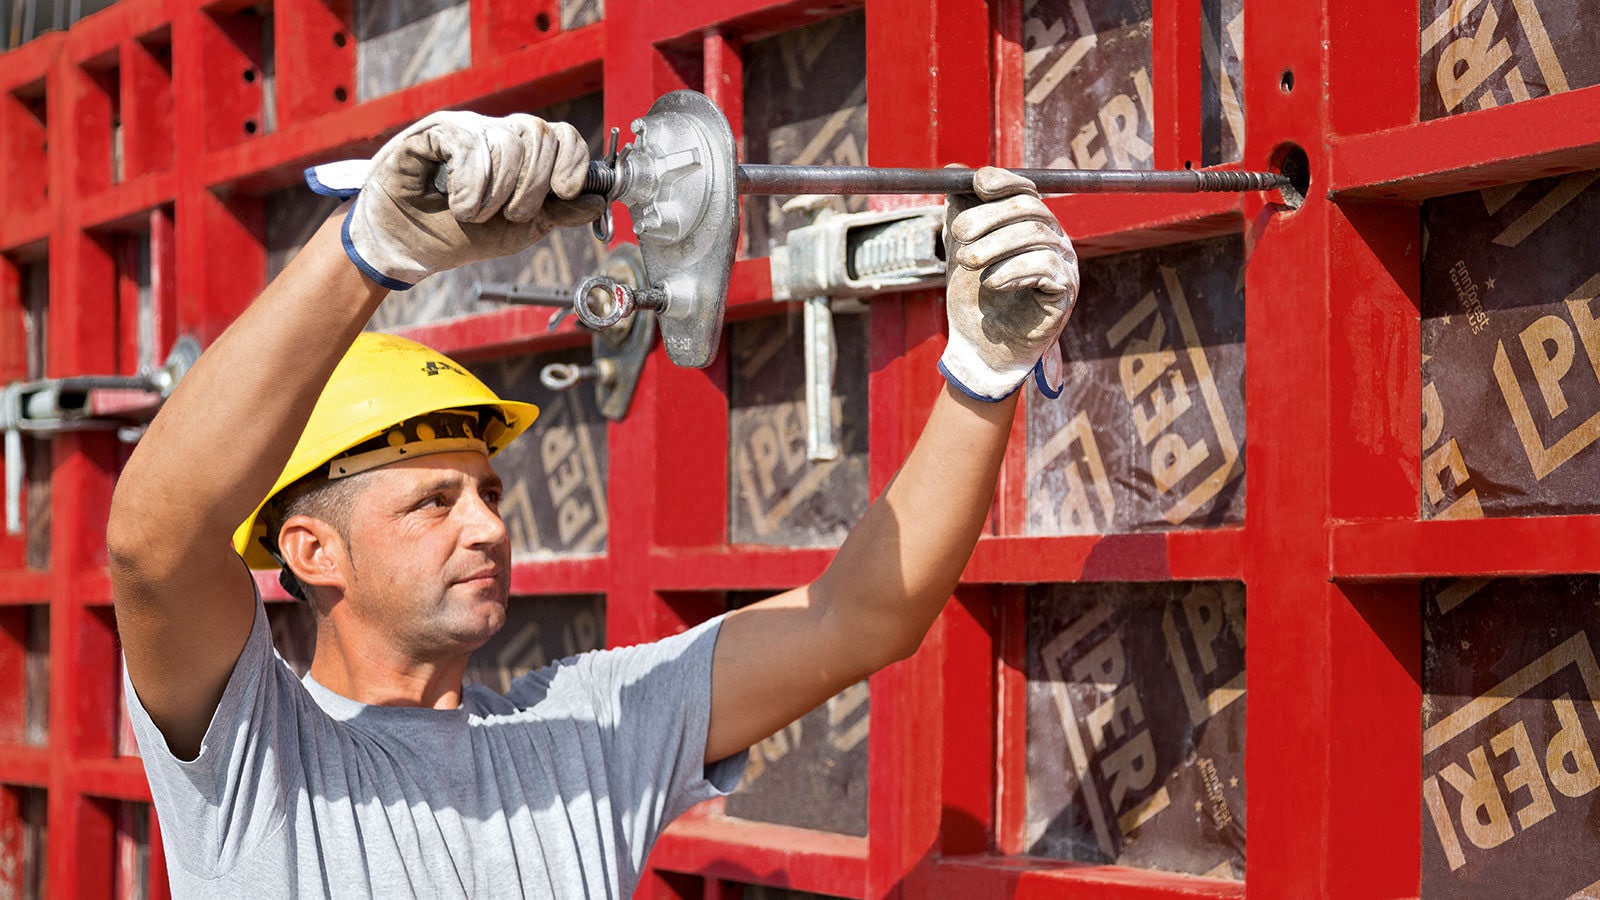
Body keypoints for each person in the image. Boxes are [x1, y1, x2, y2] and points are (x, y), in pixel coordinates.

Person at [107, 110, 1078, 898]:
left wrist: (983, 372)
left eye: (486, 493)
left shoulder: (592, 729)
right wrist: (370, 250)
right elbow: (155, 549)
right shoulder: (252, 764)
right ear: (314, 552)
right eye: (431, 504)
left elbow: (862, 616)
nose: (487, 525)